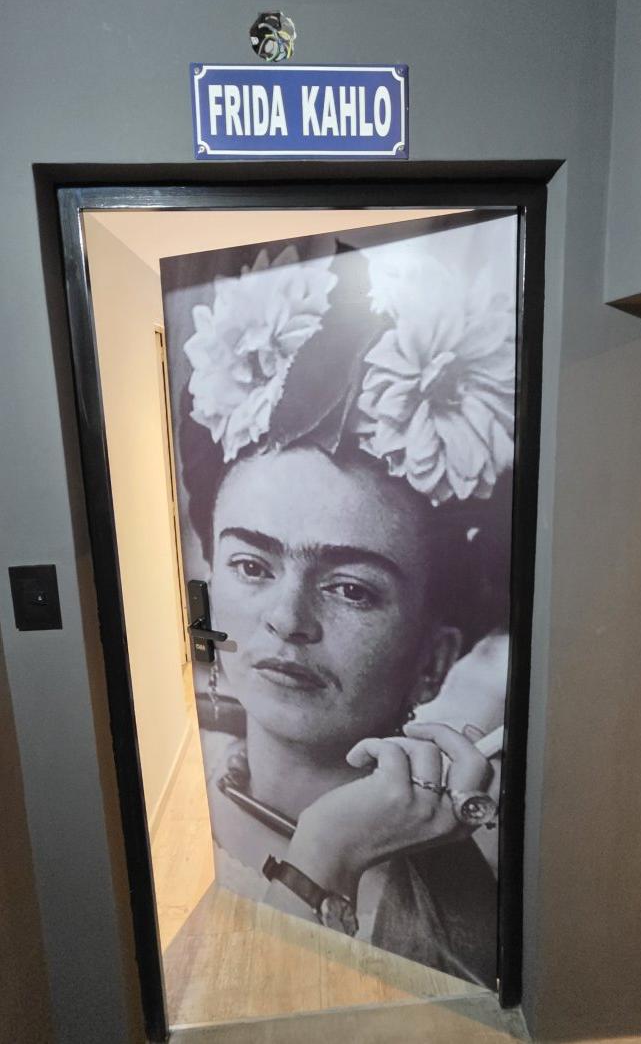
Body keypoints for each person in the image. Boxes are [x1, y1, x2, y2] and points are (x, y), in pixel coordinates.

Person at [175, 232, 516, 988]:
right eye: (252, 566)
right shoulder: (159, 805)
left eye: (351, 588)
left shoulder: (465, 902)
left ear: (433, 659)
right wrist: (323, 851)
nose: (287, 619)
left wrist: (351, 850)